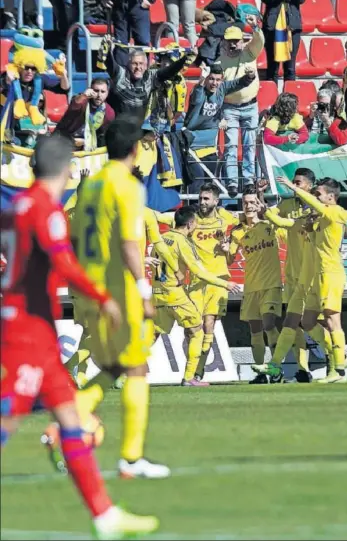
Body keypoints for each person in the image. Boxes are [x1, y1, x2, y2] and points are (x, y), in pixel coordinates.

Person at [0, 133, 159, 537]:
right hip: (27, 331)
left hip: (35, 326)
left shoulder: (15, 205)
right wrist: (103, 296)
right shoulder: (45, 208)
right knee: (8, 416)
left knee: (70, 418)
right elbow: (63, 262)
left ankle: (104, 516)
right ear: (67, 169)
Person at [68, 115, 170, 479]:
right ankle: (131, 458)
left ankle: (72, 418)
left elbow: (77, 240)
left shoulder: (91, 185)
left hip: (93, 290)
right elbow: (130, 243)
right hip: (120, 291)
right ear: (134, 149)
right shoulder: (126, 186)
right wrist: (144, 289)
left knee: (112, 369)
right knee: (138, 368)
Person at [254, 176, 347, 384]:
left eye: (318, 194)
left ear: (331, 197)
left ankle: (340, 368)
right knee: (305, 321)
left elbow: (326, 211)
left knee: (333, 320)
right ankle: (276, 365)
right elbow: (282, 220)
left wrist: (291, 187)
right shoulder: (314, 220)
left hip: (329, 274)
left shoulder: (336, 211)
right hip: (310, 278)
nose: (314, 198)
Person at [152, 205, 240, 386]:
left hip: (158, 293)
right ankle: (190, 377)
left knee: (153, 335)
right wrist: (225, 283)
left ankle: (121, 372)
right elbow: (199, 272)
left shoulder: (161, 239)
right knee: (197, 330)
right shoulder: (182, 242)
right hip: (175, 294)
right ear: (191, 224)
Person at [225, 186, 286, 384]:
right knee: (255, 330)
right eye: (246, 203)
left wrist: (263, 198)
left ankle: (276, 368)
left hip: (271, 284)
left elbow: (287, 225)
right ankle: (261, 373)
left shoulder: (271, 224)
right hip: (250, 286)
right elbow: (229, 259)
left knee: (269, 324)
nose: (249, 206)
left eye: (252, 202)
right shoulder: (238, 232)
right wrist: (225, 249)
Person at [184, 62, 257, 193]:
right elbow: (197, 100)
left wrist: (250, 76)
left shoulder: (222, 88)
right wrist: (201, 80)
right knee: (196, 183)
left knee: (209, 186)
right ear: (206, 79)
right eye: (211, 79)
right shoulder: (198, 90)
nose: (214, 83)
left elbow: (238, 83)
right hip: (192, 146)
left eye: (218, 80)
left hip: (210, 147)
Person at [219, 19, 264, 197]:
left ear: (243, 40)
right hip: (229, 107)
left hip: (250, 106)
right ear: (224, 42)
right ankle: (232, 182)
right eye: (230, 41)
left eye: (236, 40)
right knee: (231, 145)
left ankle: (248, 181)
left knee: (249, 145)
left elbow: (259, 39)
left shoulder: (250, 52)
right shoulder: (220, 61)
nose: (233, 44)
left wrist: (255, 27)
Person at [99, 35, 192, 116]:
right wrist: (107, 49)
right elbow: (111, 65)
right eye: (134, 63)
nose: (138, 67)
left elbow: (170, 71)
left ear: (145, 65)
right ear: (128, 64)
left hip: (151, 128)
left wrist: (185, 59)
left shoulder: (156, 77)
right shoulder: (123, 74)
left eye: (141, 64)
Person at [96, 0, 161, 66]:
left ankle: (142, 75)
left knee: (143, 41)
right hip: (119, 0)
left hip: (140, 0)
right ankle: (121, 77)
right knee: (121, 43)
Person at [261, 0, 306, 84]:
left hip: (292, 29)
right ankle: (271, 97)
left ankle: (289, 100)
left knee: (290, 68)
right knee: (272, 67)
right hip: (272, 29)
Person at [55, 79, 115, 151]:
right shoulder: (82, 101)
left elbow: (102, 137)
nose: (99, 95)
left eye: (103, 92)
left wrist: (85, 142)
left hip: (87, 147)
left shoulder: (109, 113)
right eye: (96, 91)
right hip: (62, 141)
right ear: (90, 90)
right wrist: (83, 96)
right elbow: (76, 102)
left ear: (107, 93)